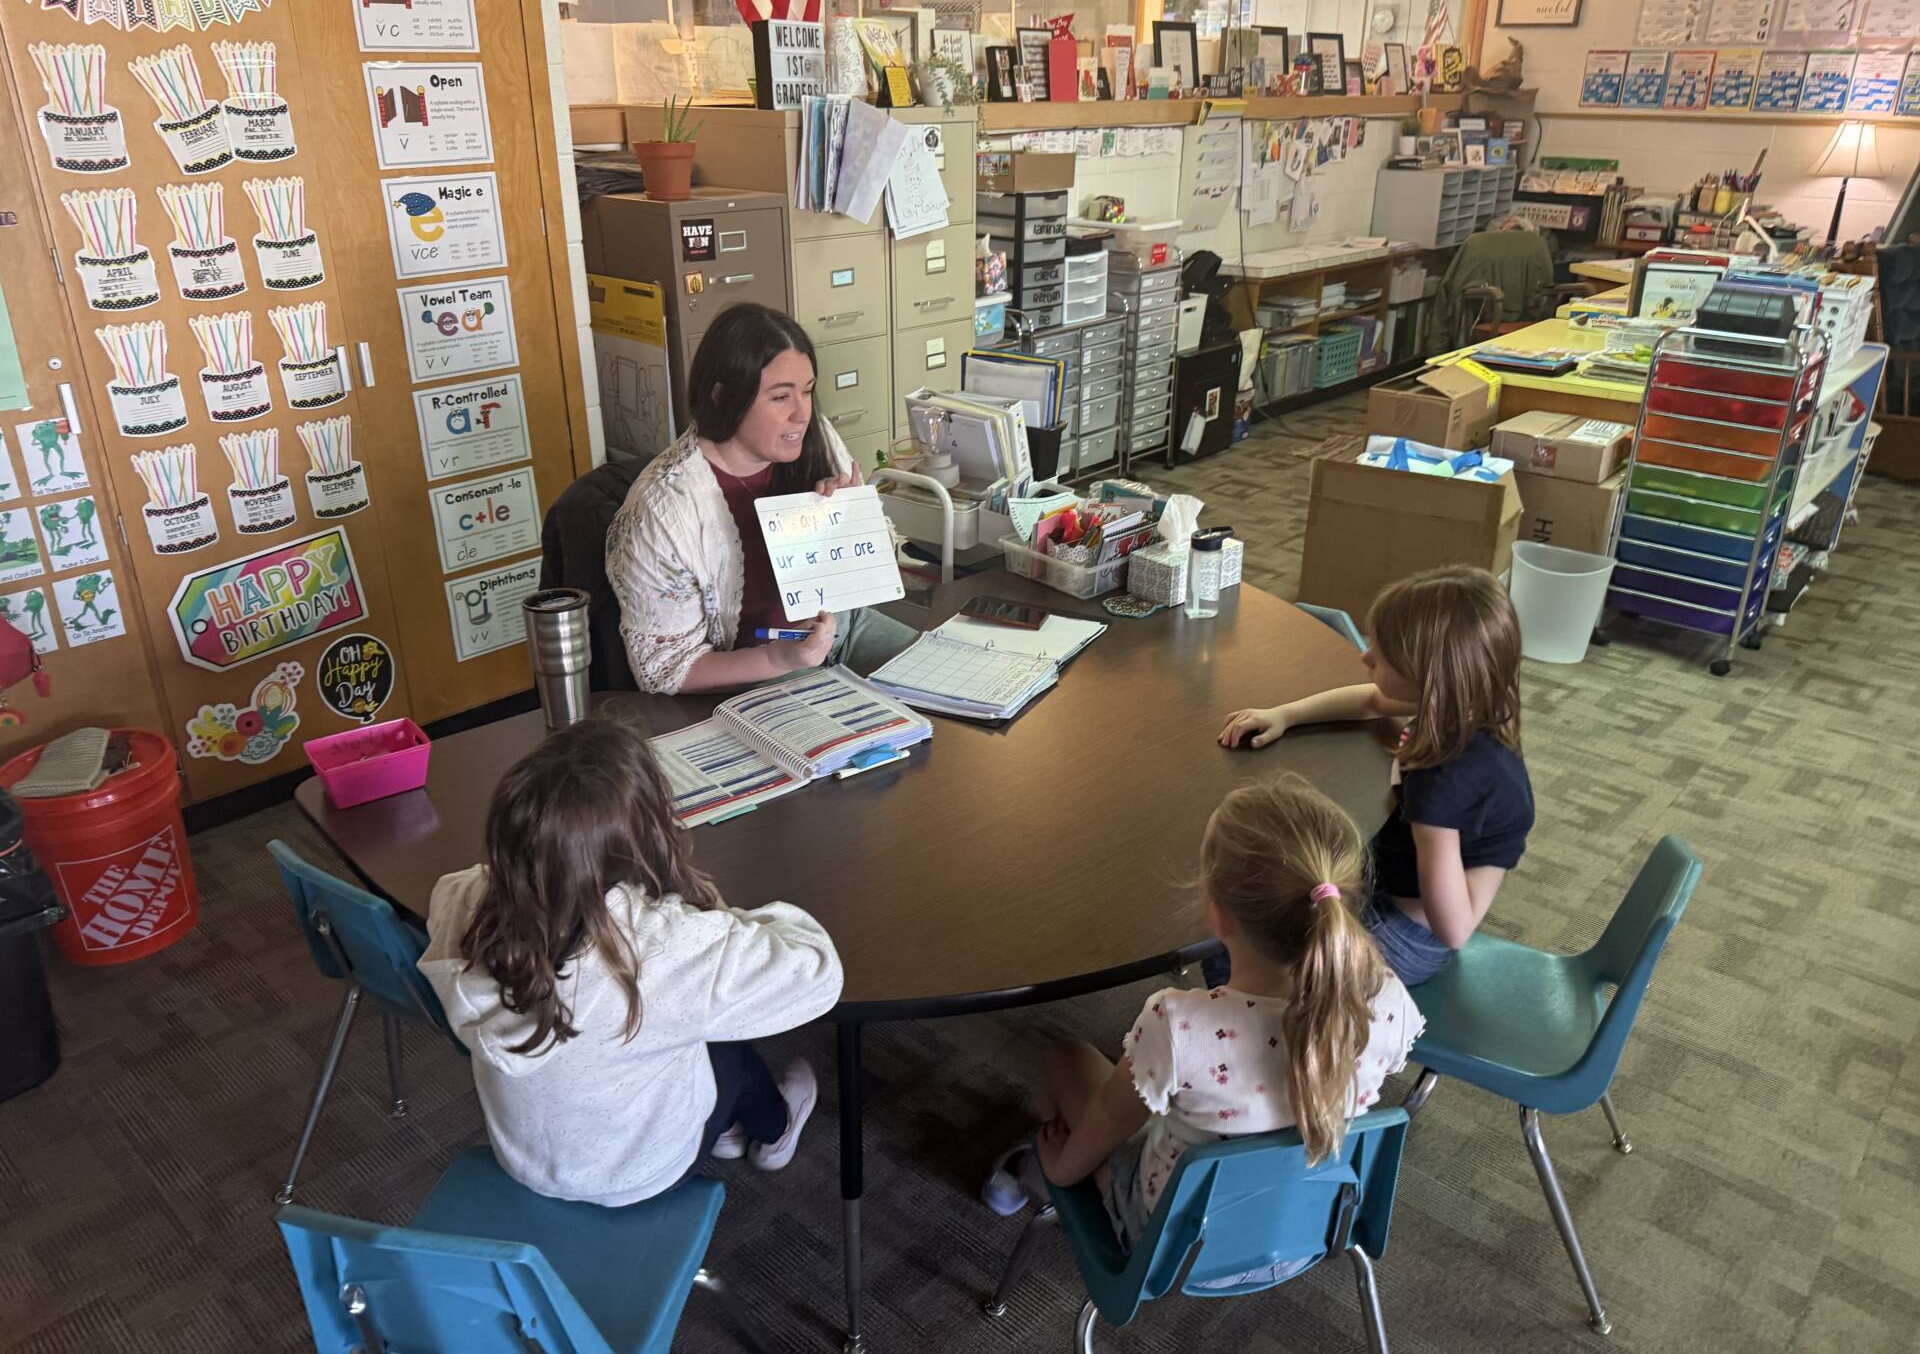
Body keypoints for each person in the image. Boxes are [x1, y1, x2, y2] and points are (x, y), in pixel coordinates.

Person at [985, 776, 1422, 1264]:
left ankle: (1029, 1170)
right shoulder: (1387, 998)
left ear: (1217, 916)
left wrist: (1061, 1170)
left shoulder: (1179, 1024)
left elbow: (1109, 1119)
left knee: (1068, 1058)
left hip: (1178, 1242)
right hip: (1312, 1226)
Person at [418, 718, 843, 1206]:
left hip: (526, 1159)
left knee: (682, 1018)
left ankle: (725, 1126)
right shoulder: (664, 949)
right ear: (651, 835)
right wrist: (718, 917)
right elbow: (817, 969)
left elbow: (463, 882)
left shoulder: (464, 901)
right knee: (729, 1045)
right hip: (639, 1171)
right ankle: (774, 1131)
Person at [1217, 566, 1532, 986]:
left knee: (1235, 957)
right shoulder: (1472, 706)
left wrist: (1435, 836)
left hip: (1407, 936)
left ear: (1429, 675)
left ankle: (1263, 1042)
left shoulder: (1438, 780)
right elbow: (1371, 699)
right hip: (1402, 893)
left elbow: (1454, 929)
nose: (1365, 657)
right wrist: (1284, 715)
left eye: (1380, 654)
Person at [606, 302, 915, 694]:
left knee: (958, 693)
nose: (801, 414)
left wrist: (855, 525)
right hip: (758, 666)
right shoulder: (663, 509)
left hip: (842, 629)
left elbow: (881, 567)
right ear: (722, 396)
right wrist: (780, 658)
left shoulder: (814, 436)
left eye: (807, 391)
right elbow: (666, 670)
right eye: (780, 397)